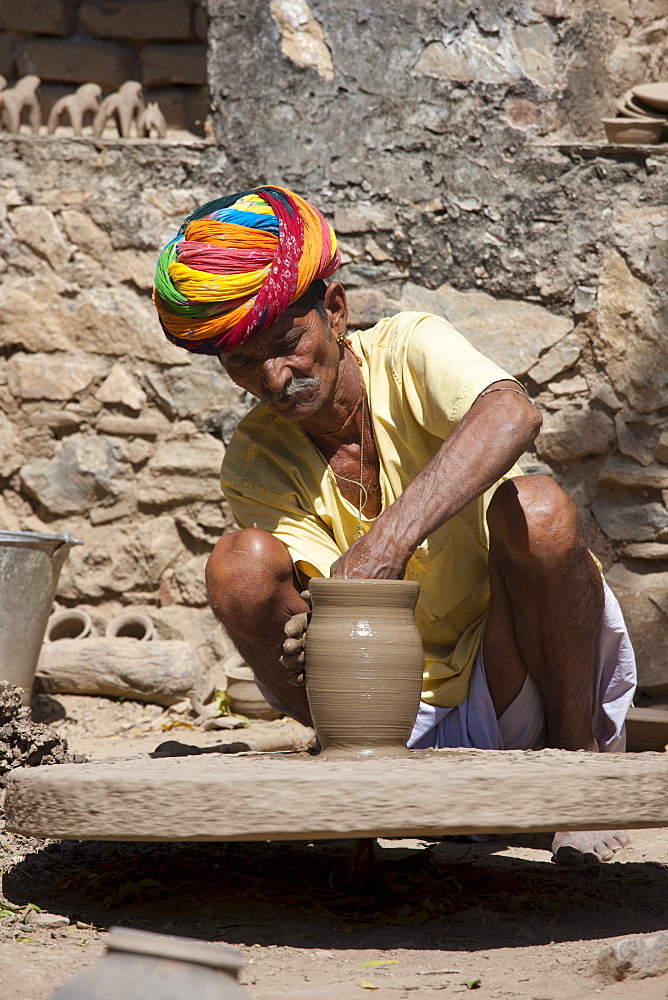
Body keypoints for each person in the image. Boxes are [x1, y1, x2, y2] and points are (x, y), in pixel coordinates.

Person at [153, 185, 637, 866]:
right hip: (387, 710)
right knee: (236, 566)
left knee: (538, 509)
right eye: (241, 362)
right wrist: (299, 630)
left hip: (509, 675)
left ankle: (577, 775)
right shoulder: (255, 458)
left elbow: (512, 415)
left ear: (337, 311)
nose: (273, 376)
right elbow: (320, 598)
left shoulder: (412, 348)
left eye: (288, 342)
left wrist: (388, 540)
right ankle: (352, 782)